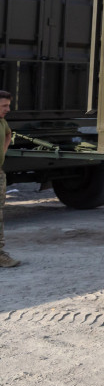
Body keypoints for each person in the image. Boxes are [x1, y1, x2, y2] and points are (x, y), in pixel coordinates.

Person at [0, 90, 17, 268]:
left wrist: (2, 153)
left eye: (8, 105)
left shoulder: (2, 122)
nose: (8, 109)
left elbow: (8, 134)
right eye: (4, 106)